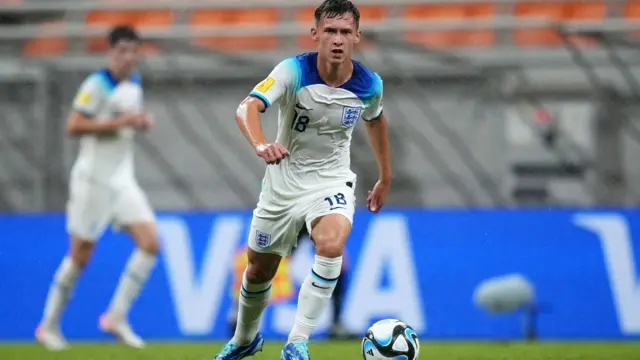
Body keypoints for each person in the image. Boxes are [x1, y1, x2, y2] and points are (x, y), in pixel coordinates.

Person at [214, 0, 391, 359]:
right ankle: (244, 339)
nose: (337, 40)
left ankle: (297, 342)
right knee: (259, 270)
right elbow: (246, 107)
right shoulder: (292, 71)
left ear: (357, 36)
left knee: (331, 246)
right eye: (330, 31)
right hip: (283, 183)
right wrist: (261, 143)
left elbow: (375, 120)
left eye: (345, 32)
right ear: (315, 34)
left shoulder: (369, 84)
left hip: (332, 180)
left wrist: (385, 176)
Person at [36, 25, 158, 351]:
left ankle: (116, 316)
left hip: (122, 179)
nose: (128, 57)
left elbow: (131, 120)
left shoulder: (134, 83)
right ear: (111, 52)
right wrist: (120, 123)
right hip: (92, 181)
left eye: (133, 51)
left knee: (150, 243)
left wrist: (143, 121)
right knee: (80, 255)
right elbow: (74, 125)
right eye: (122, 51)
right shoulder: (96, 84)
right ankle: (48, 326)